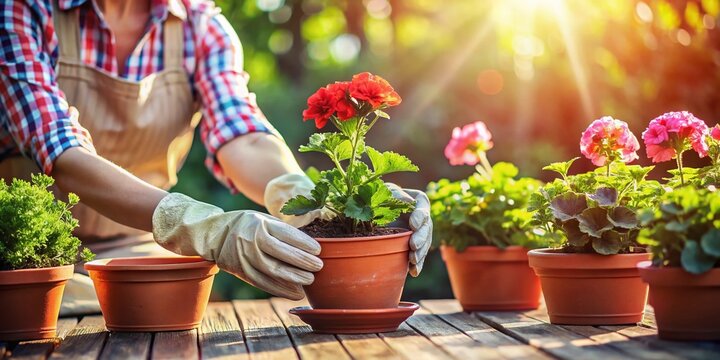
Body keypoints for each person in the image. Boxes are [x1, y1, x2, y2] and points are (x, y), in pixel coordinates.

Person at [0, 0, 432, 315]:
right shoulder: (24, 10)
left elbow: (241, 134)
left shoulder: (199, 25)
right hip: (22, 262)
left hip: (134, 256)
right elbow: (60, 151)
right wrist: (202, 226)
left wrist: (309, 200)